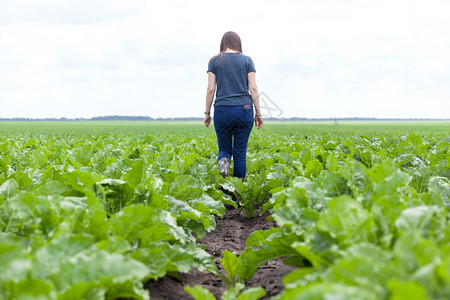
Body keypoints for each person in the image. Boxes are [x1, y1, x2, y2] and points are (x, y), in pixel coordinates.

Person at [203, 31, 263, 180]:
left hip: (223, 110)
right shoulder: (247, 60)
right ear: (238, 44)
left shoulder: (214, 61)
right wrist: (259, 113)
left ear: (223, 43)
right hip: (245, 110)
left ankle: (224, 176)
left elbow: (211, 89)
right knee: (240, 153)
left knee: (224, 149)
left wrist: (207, 112)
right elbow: (253, 88)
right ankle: (237, 193)